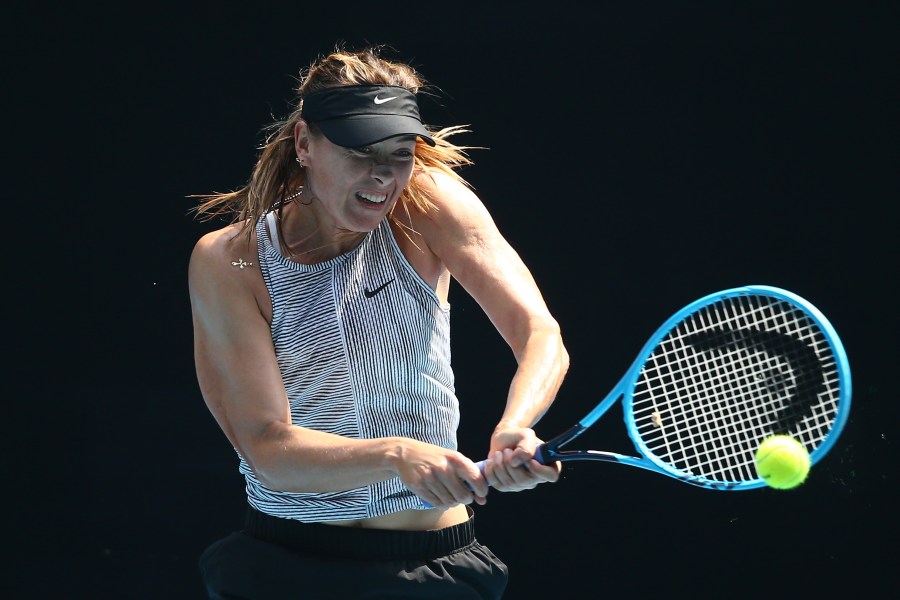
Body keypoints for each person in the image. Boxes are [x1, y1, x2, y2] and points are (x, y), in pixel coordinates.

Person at [188, 45, 570, 599]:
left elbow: (541, 335)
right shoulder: (230, 259)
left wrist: (514, 426)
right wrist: (396, 456)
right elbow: (268, 450)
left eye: (400, 152)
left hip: (432, 570)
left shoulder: (429, 206)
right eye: (361, 151)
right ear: (304, 144)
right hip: (283, 567)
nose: (384, 174)